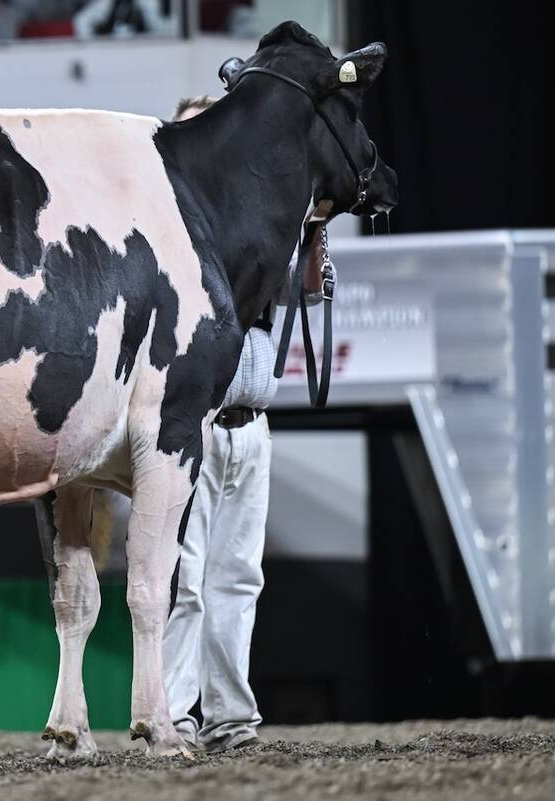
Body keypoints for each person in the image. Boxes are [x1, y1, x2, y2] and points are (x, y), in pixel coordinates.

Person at [161, 94, 327, 753]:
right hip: (194, 424)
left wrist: (315, 222)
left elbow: (310, 286)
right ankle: (171, 717)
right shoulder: (181, 223)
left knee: (234, 576)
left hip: (251, 422)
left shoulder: (256, 221)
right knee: (186, 578)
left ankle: (230, 718)